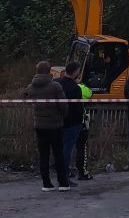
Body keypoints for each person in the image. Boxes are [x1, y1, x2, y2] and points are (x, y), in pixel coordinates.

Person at [23, 60, 69, 192]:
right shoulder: (55, 86)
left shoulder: (31, 86)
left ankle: (46, 183)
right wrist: (62, 115)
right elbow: (63, 106)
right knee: (58, 154)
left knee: (43, 154)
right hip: (55, 125)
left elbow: (25, 96)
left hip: (39, 125)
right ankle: (63, 183)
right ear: (49, 71)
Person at [55, 61, 87, 187]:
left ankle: (60, 174)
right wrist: (81, 121)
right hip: (72, 122)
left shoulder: (57, 83)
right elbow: (78, 108)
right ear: (75, 72)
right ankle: (64, 177)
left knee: (59, 149)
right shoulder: (75, 88)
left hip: (57, 121)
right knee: (67, 150)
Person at [74, 80, 93, 179]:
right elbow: (89, 93)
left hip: (67, 121)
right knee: (82, 147)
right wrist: (82, 84)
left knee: (67, 147)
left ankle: (67, 170)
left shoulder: (61, 85)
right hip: (81, 121)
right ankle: (83, 172)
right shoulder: (81, 88)